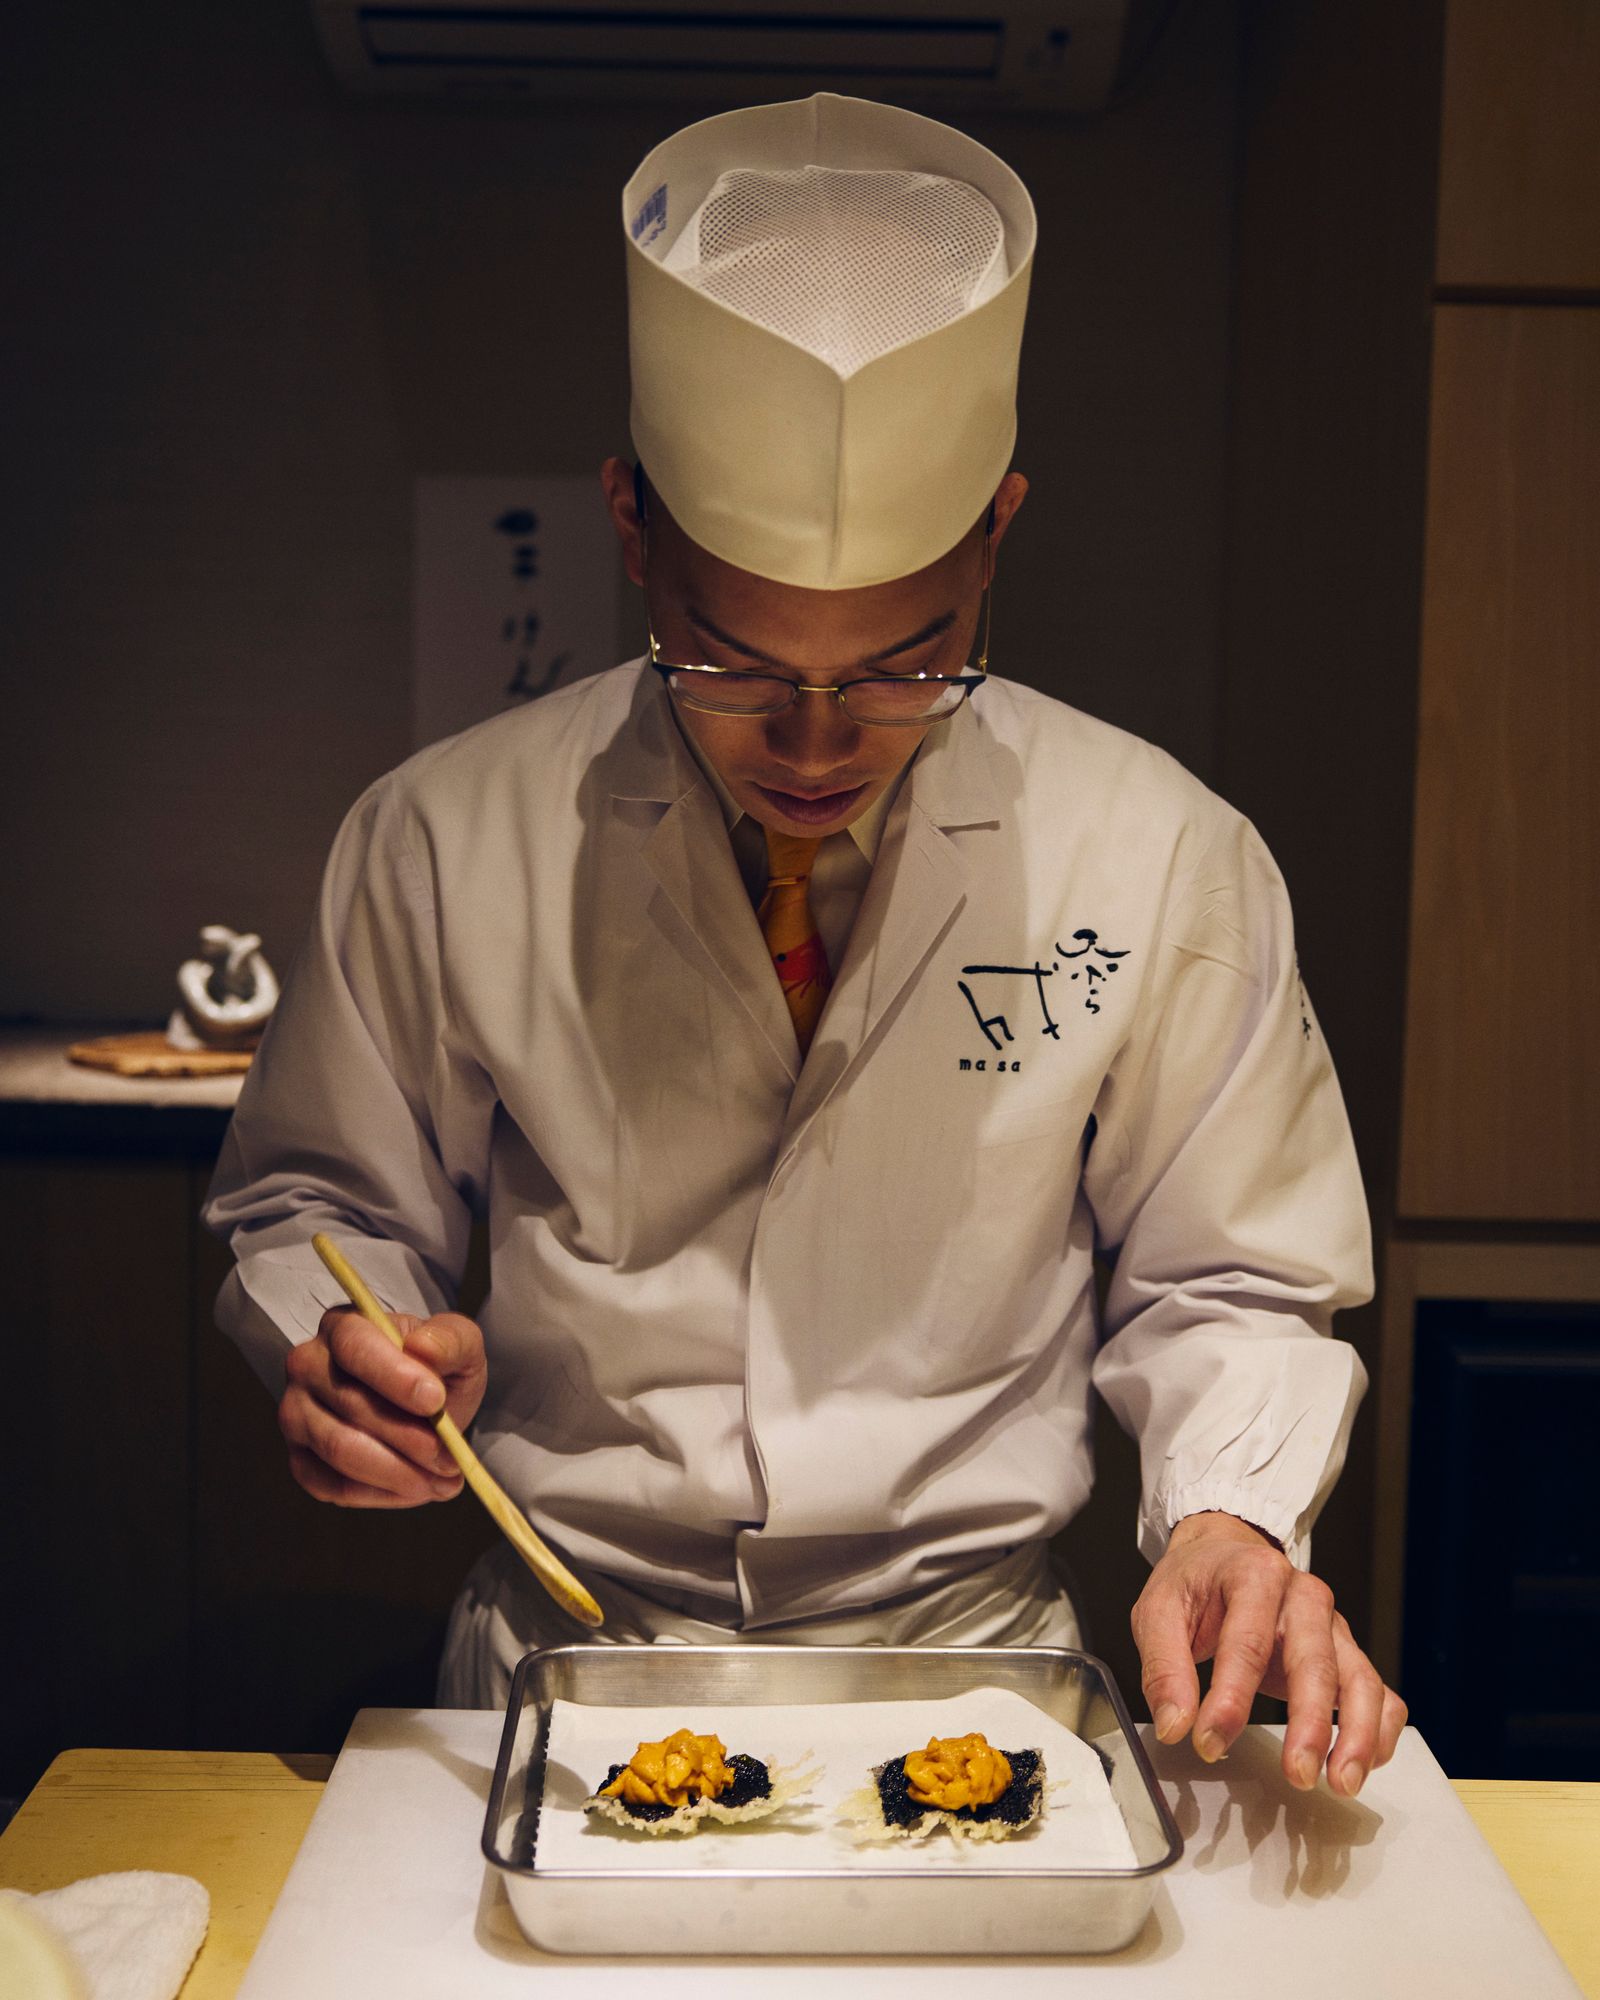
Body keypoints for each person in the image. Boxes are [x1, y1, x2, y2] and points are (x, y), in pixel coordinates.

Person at [206, 92, 1405, 1797]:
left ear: (994, 535)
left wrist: (1229, 1509)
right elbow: (313, 1209)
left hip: (980, 1676)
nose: (820, 739)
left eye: (910, 663)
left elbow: (1230, 1274)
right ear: (630, 527)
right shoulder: (440, 836)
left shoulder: (1158, 851)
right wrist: (355, 1346)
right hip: (569, 1658)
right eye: (733, 665)